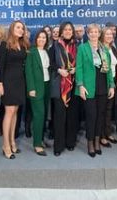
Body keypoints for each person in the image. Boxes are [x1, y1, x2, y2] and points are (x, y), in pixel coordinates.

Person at [76, 24, 115, 157]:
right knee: (91, 116)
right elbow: (79, 68)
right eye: (91, 32)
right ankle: (90, 142)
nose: (93, 34)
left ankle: (97, 140)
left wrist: (111, 85)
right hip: (89, 87)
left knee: (100, 115)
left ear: (99, 34)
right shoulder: (82, 48)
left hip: (103, 86)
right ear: (87, 34)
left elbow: (108, 69)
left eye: (96, 32)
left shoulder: (104, 48)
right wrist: (80, 85)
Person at [0, 21, 29, 159]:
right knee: (9, 111)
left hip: (20, 81)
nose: (20, 30)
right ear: (11, 29)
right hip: (8, 81)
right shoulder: (5, 44)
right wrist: (0, 83)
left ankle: (12, 141)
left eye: (22, 28)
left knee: (15, 111)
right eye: (18, 27)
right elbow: (1, 65)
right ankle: (5, 145)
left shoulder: (23, 45)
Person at [49, 21, 79, 156]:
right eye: (65, 29)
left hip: (73, 85)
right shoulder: (54, 46)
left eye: (70, 30)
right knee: (59, 116)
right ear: (61, 31)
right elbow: (50, 64)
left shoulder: (77, 47)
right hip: (59, 85)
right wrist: (59, 70)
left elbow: (81, 63)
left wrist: (76, 69)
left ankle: (70, 142)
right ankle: (58, 146)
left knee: (72, 116)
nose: (68, 31)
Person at [24, 30, 51, 156]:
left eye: (44, 37)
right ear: (36, 39)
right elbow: (28, 71)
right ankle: (37, 144)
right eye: (39, 37)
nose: (42, 39)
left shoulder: (47, 51)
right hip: (36, 87)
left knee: (44, 114)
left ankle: (40, 139)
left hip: (47, 85)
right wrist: (31, 88)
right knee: (39, 115)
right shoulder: (31, 52)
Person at [99, 26, 117, 146]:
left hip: (112, 80)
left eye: (111, 34)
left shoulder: (113, 48)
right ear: (102, 35)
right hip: (103, 81)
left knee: (109, 109)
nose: (109, 36)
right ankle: (101, 135)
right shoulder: (99, 48)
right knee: (102, 109)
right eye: (106, 34)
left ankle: (107, 133)